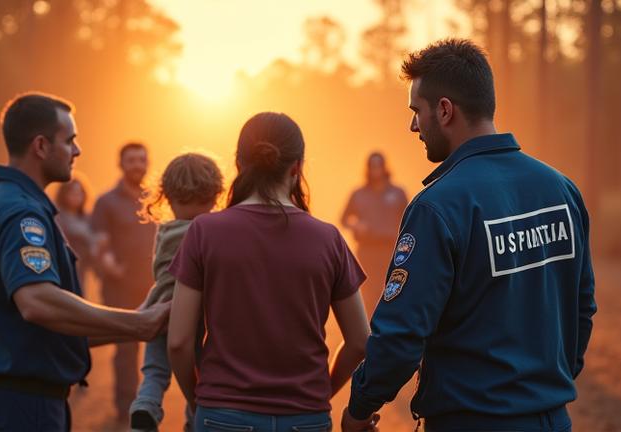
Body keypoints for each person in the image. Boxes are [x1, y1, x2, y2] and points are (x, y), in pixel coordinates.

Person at [342, 39, 597, 432]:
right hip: (552, 419)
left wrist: (359, 408)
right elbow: (583, 306)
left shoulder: (437, 208)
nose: (413, 126)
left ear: (445, 110)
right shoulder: (561, 190)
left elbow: (400, 337)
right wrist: (548, 384)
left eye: (416, 111)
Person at [0, 92, 170, 432]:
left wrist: (136, 322)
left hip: (9, 399)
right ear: (41, 146)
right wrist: (137, 325)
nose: (77, 150)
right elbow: (37, 302)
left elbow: (45, 329)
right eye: (70, 140)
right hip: (23, 407)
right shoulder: (21, 212)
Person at [167, 112, 371, 432]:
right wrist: (319, 393)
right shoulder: (328, 239)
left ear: (239, 164)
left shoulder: (204, 232)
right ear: (297, 167)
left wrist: (200, 403)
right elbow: (359, 341)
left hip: (222, 413)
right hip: (306, 417)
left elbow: (178, 341)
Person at [129, 153, 224, 432]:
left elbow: (159, 273)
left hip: (159, 311)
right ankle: (194, 421)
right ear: (215, 196)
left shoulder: (164, 232)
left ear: (167, 197)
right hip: (200, 317)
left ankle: (146, 404)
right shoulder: (213, 233)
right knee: (200, 375)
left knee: (155, 370)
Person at [91, 142, 158, 422]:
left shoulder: (157, 199)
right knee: (126, 349)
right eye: (131, 160)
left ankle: (153, 405)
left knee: (161, 349)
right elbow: (99, 242)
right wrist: (109, 264)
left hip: (155, 285)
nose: (137, 165)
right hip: (120, 287)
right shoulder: (106, 202)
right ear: (121, 164)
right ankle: (126, 410)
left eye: (142, 159)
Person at [341, 152, 409, 315]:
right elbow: (344, 219)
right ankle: (370, 325)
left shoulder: (398, 193)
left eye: (379, 166)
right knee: (369, 291)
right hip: (367, 250)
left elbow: (410, 219)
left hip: (392, 250)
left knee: (392, 289)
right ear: (368, 169)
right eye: (372, 166)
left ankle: (391, 323)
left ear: (385, 168)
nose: (376, 170)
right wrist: (356, 225)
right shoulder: (358, 194)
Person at [54, 175, 100, 284]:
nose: (76, 197)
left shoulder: (87, 218)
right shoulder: (57, 217)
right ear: (64, 194)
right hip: (61, 267)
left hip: (82, 268)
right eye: (73, 193)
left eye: (79, 193)